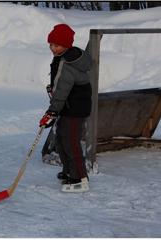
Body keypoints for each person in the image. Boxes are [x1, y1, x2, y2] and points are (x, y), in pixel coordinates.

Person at [39, 24, 92, 193]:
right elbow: (58, 87)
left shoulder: (68, 63)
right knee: (61, 140)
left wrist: (52, 112)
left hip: (74, 109)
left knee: (71, 143)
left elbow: (62, 90)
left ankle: (80, 178)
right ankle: (69, 171)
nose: (52, 48)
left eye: (56, 45)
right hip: (67, 107)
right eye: (51, 45)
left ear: (66, 45)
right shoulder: (62, 58)